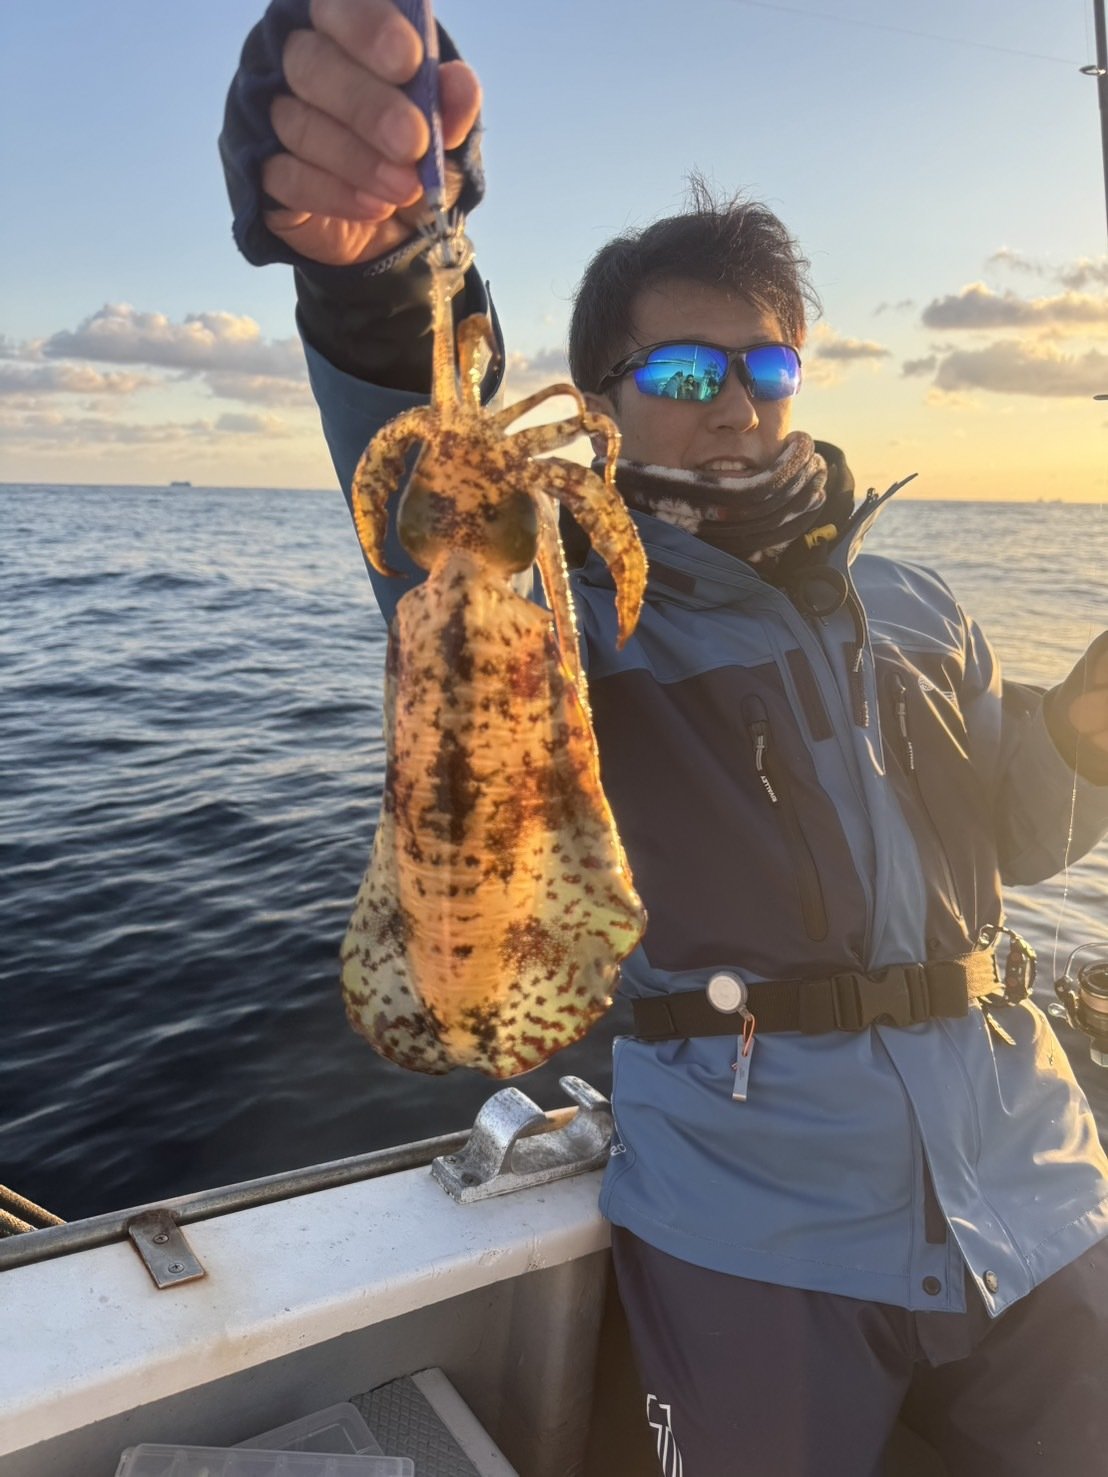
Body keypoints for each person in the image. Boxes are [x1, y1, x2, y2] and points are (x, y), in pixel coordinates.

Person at [220, 4, 1108, 1472]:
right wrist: (381, 275)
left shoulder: (919, 603)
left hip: (1042, 1184)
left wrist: (1081, 731)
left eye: (768, 371)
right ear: (601, 408)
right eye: (688, 376)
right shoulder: (580, 611)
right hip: (755, 1225)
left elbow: (1019, 833)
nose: (737, 409)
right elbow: (448, 529)